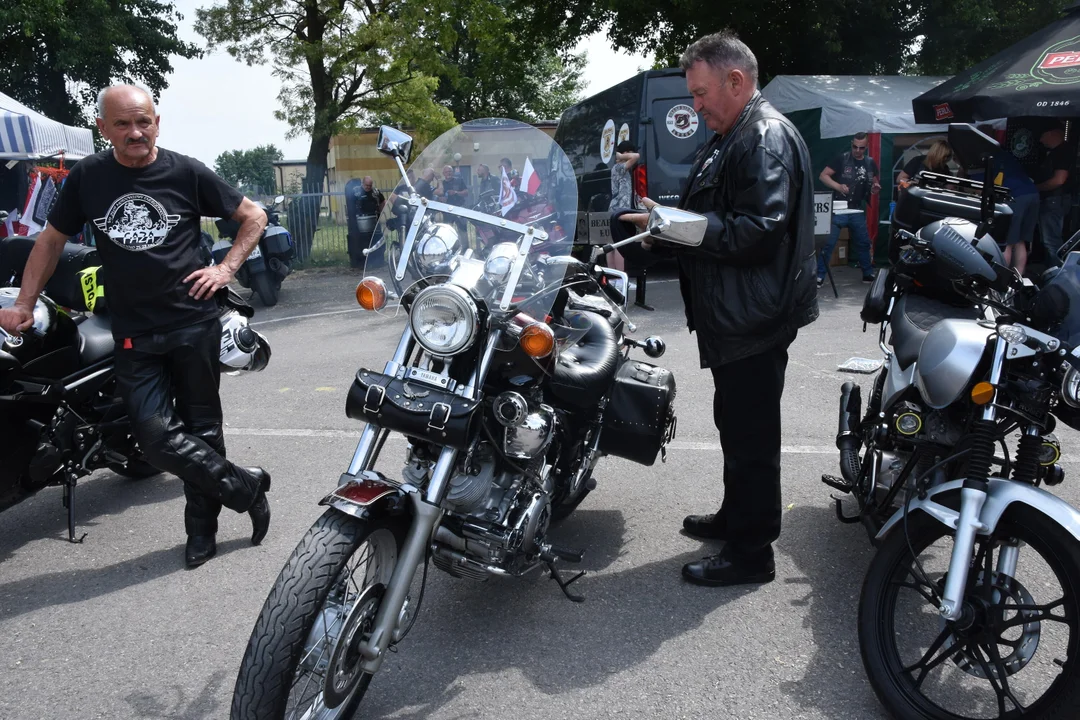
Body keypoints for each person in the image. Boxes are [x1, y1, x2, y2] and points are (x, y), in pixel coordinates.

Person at [0, 85, 272, 568]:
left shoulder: (185, 171)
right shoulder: (88, 177)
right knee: (155, 437)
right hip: (132, 330)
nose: (136, 133)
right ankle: (246, 487)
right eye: (123, 125)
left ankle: (201, 535)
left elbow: (253, 216)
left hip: (193, 323)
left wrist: (225, 269)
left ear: (157, 122)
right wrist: (24, 302)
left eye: (143, 121)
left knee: (203, 432)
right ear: (103, 129)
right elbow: (51, 241)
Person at [616, 30, 818, 587]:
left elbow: (760, 230)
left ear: (736, 80)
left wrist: (682, 228)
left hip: (754, 315)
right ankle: (738, 518)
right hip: (737, 314)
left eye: (702, 94)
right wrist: (669, 227)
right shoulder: (736, 131)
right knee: (734, 423)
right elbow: (723, 215)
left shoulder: (763, 136)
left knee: (752, 436)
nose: (695, 106)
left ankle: (753, 553)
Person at [818, 132, 880, 284]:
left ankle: (867, 273)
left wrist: (875, 187)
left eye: (861, 148)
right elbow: (823, 175)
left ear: (866, 147)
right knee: (829, 243)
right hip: (839, 207)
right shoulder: (842, 158)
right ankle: (819, 275)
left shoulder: (870, 162)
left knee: (863, 243)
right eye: (855, 147)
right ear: (851, 143)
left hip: (857, 208)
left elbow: (874, 182)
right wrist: (838, 186)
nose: (857, 150)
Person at [1034, 122, 1073, 266]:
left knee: (1051, 240)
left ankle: (1057, 273)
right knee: (1051, 239)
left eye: (1043, 136)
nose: (1041, 140)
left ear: (1052, 134)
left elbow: (1059, 180)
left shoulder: (1062, 152)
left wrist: (1037, 187)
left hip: (1054, 199)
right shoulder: (1061, 151)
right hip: (1057, 199)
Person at [607, 141, 641, 271]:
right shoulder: (621, 167)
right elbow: (636, 157)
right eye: (630, 151)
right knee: (621, 244)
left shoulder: (616, 168)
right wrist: (621, 156)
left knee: (611, 244)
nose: (632, 153)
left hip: (614, 208)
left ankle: (613, 277)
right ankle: (620, 277)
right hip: (621, 209)